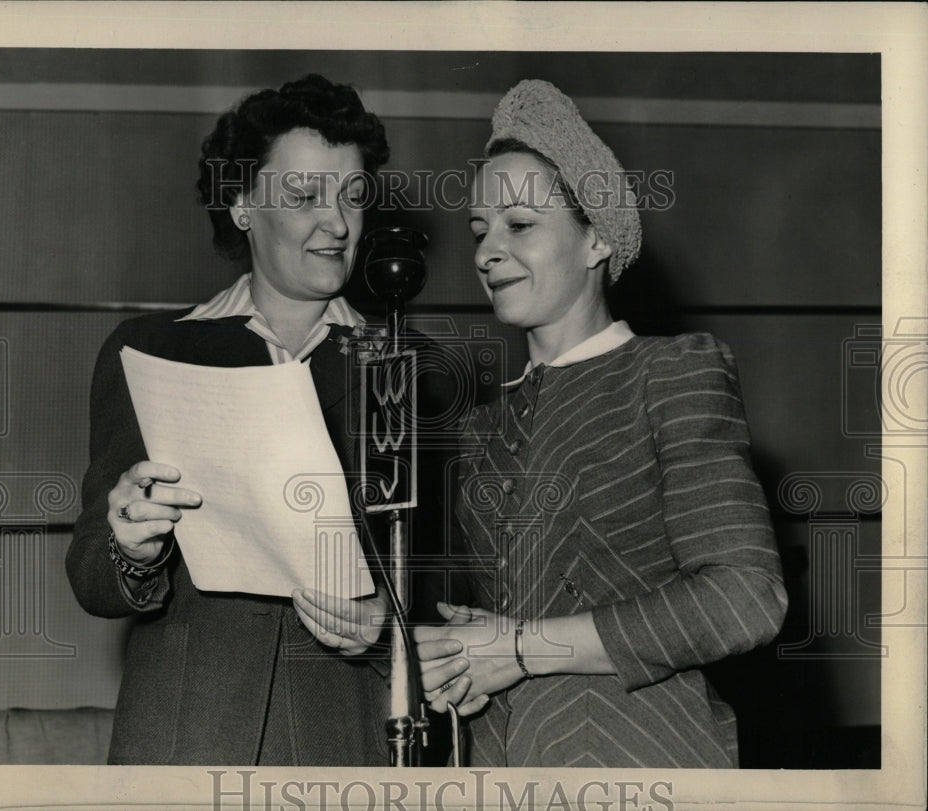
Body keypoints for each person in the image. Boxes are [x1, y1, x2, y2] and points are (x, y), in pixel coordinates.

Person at [414, 79, 788, 768]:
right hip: (500, 764)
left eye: (519, 225)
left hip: (636, 757)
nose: (486, 251)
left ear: (595, 240)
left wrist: (523, 647)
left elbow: (746, 598)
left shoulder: (668, 373)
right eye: (479, 230)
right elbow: (503, 616)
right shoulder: (481, 423)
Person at [67, 74, 399, 766]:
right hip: (187, 727)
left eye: (352, 196)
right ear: (243, 205)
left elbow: (455, 581)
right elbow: (94, 578)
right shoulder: (149, 351)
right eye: (305, 196)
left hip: (347, 730)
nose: (337, 223)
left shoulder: (408, 367)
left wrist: (387, 625)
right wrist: (130, 544)